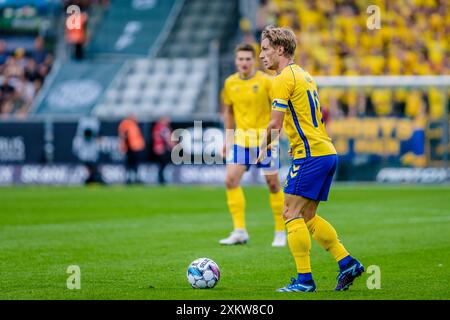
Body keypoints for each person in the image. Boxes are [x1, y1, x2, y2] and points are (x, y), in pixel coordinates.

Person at [257, 26, 364, 292]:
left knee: (290, 213)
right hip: (325, 151)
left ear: (280, 49)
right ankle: (346, 262)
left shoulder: (281, 78)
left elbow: (274, 123)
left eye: (265, 49)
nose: (261, 55)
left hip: (311, 156)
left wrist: (260, 148)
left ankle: (304, 281)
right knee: (307, 215)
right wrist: (297, 142)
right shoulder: (304, 75)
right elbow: (308, 116)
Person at [220, 43, 286, 247]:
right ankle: (239, 231)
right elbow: (229, 112)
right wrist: (228, 139)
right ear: (236, 61)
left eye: (248, 59)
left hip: (264, 140)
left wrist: (276, 135)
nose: (244, 62)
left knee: (273, 184)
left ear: (255, 60)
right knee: (231, 180)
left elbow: (278, 110)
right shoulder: (230, 83)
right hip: (241, 140)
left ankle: (280, 231)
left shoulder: (266, 82)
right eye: (241, 59)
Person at [118, 114, 145, 184]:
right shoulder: (126, 124)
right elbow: (123, 136)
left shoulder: (134, 125)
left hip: (135, 147)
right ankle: (129, 179)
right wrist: (124, 146)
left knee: (135, 165)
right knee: (130, 165)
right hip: (131, 148)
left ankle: (135, 178)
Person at [152, 116, 174, 185]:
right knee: (163, 166)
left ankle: (161, 179)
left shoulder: (156, 127)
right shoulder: (163, 128)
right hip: (161, 149)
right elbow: (167, 139)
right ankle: (162, 180)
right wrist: (173, 146)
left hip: (157, 149)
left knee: (161, 166)